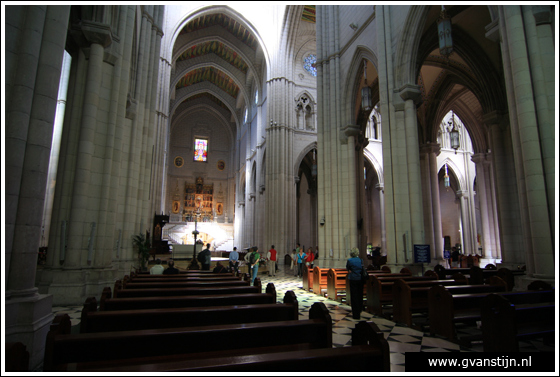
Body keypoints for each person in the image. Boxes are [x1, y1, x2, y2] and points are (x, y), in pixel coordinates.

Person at [346, 247, 365, 319]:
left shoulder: (350, 260)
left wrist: (350, 270)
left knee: (354, 296)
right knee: (360, 295)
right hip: (360, 279)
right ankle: (360, 309)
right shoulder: (360, 260)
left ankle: (355, 313)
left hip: (353, 279)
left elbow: (348, 268)